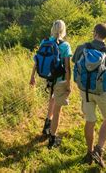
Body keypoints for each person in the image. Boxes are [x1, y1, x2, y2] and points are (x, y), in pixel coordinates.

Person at [72, 23, 106, 168]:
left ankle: (89, 152)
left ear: (94, 33)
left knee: (90, 121)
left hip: (85, 91)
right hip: (103, 93)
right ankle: (99, 150)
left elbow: (77, 66)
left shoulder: (81, 48)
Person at [30, 20, 73, 149]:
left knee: (51, 100)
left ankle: (46, 127)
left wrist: (32, 77)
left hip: (49, 77)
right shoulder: (65, 45)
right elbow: (67, 68)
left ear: (52, 29)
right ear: (63, 30)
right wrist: (68, 84)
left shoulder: (45, 42)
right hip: (59, 80)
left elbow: (37, 61)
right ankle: (52, 139)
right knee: (58, 110)